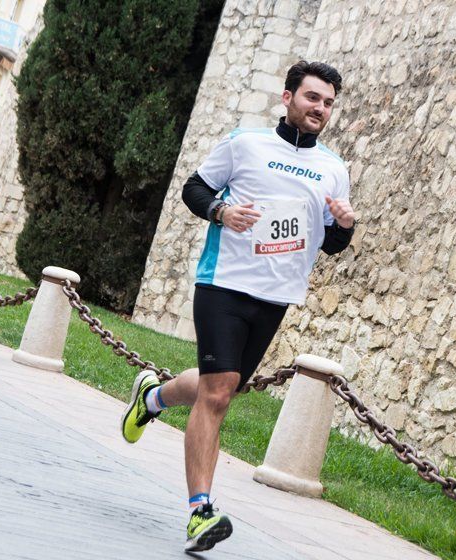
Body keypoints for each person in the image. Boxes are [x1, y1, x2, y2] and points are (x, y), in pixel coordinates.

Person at [120, 61, 355, 552]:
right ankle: (199, 512)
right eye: (313, 98)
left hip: (276, 296)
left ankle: (153, 398)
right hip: (223, 282)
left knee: (218, 388)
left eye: (329, 103)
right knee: (219, 395)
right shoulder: (245, 143)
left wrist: (345, 225)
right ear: (287, 97)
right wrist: (222, 211)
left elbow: (331, 244)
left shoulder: (334, 167)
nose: (321, 109)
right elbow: (194, 188)